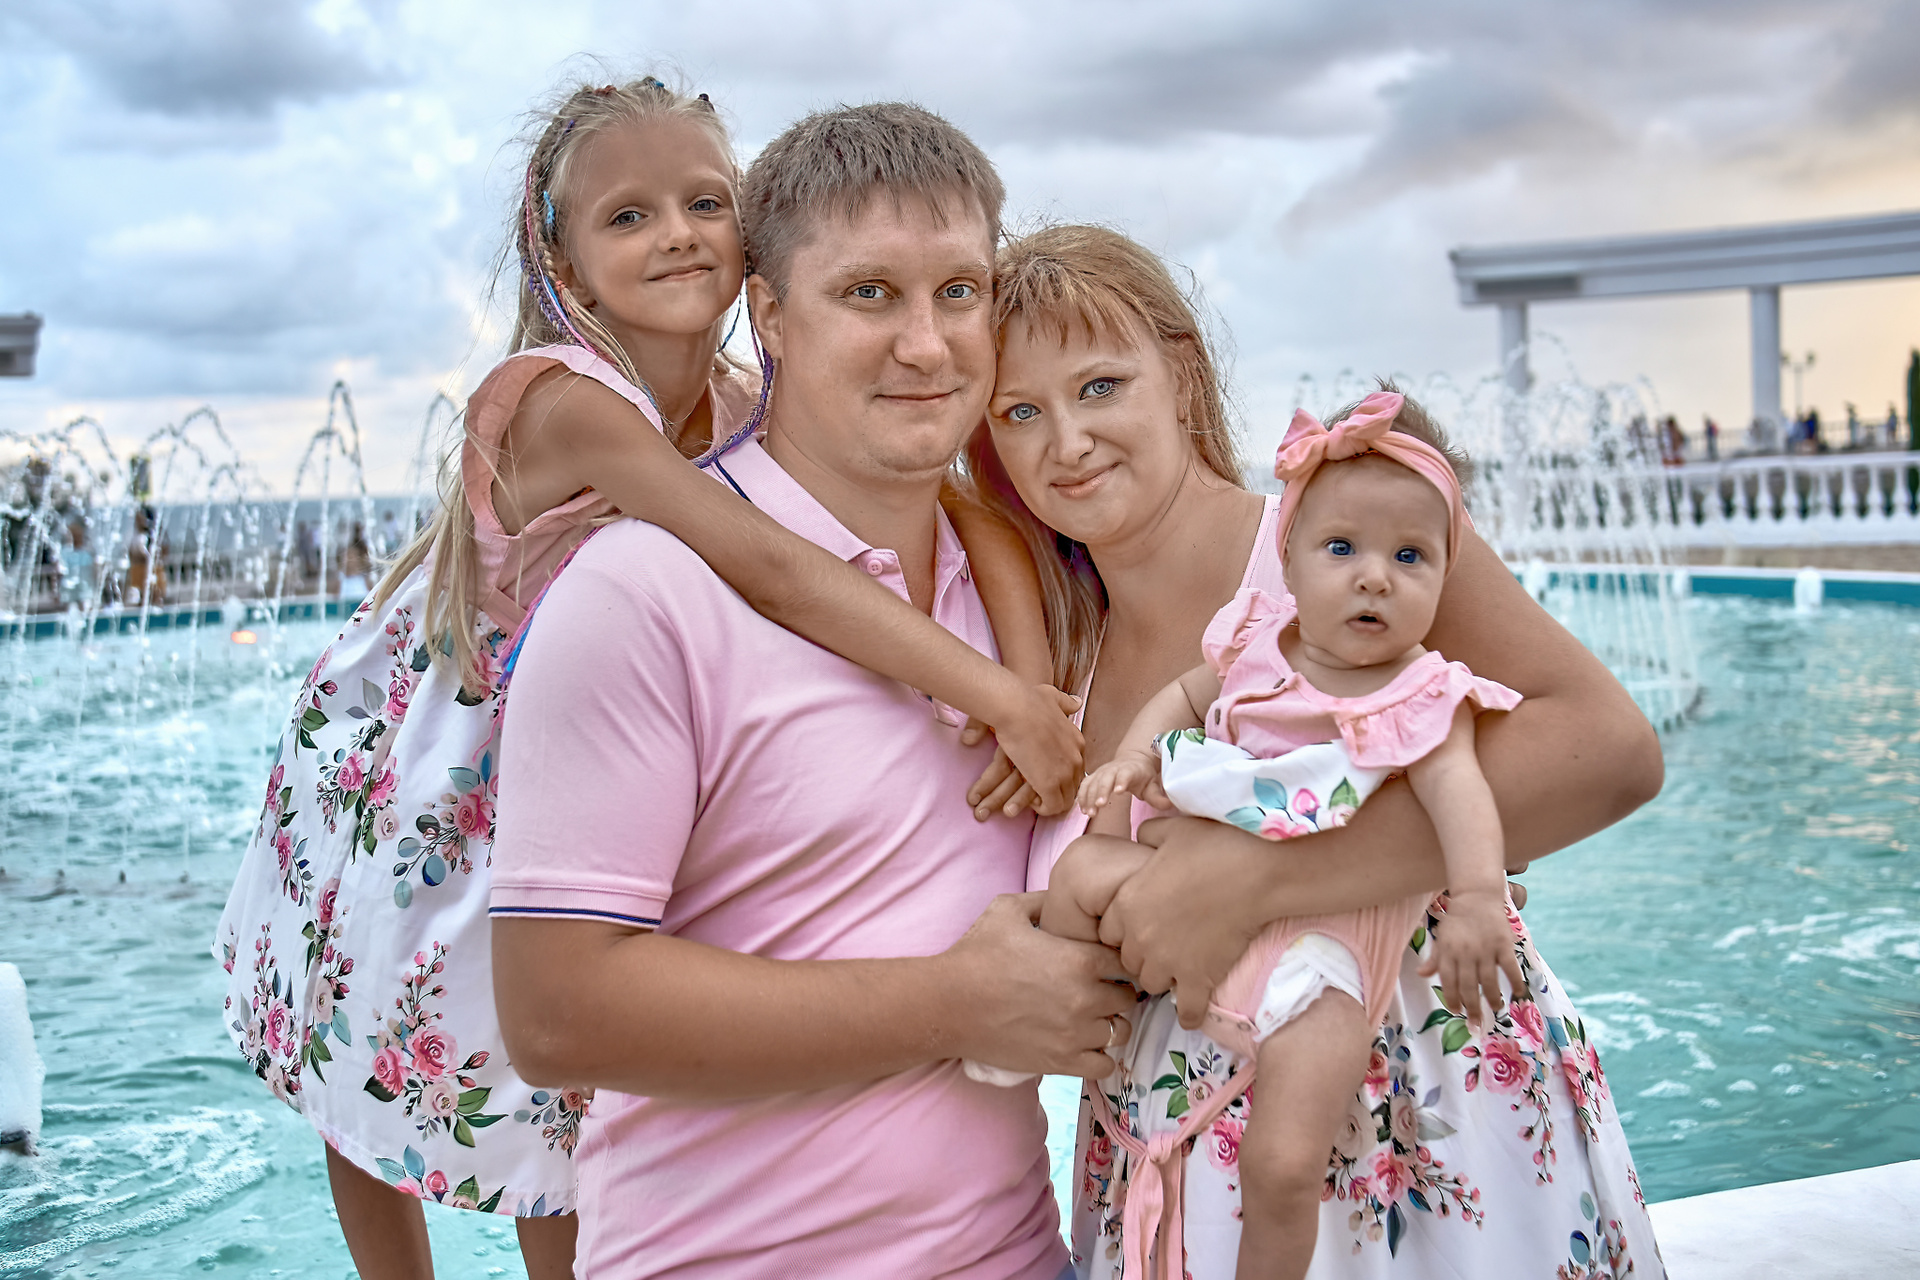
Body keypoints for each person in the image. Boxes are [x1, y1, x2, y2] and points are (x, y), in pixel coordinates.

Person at [214, 83, 1078, 1280]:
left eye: (704, 203)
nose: (677, 234)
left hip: (561, 737)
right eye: (628, 215)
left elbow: (966, 508)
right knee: (369, 1031)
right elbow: (770, 564)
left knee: (541, 1118)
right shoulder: (565, 401)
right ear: (563, 260)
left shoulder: (740, 404)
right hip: (436, 738)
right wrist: (994, 694)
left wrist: (1030, 679)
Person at [489, 103, 1129, 1279]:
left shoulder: (1033, 580)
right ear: (771, 313)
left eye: (958, 291)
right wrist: (954, 1002)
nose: (927, 346)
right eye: (869, 293)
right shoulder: (642, 591)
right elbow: (554, 1014)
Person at [970, 224, 1666, 1278]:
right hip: (1173, 1173)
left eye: (1101, 385)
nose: (1066, 441)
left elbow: (1610, 748)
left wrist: (1261, 877)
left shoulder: (1344, 539)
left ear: (1182, 373)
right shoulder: (1063, 645)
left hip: (1417, 1141)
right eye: (1020, 411)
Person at [1044, 389, 1523, 1280]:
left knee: (1284, 1162)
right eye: (1342, 548)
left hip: (1325, 949)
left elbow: (1461, 794)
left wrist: (1480, 900)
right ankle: (1075, 1031)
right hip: (1198, 898)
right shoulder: (1256, 643)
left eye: (1410, 556)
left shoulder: (1422, 693)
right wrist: (1136, 758)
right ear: (1289, 557)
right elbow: (1185, 695)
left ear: (1445, 576)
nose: (1374, 577)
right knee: (1080, 874)